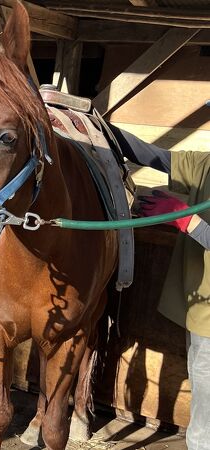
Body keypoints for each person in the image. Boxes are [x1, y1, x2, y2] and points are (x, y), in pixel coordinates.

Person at [109, 123, 210, 450]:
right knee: (202, 394)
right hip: (201, 313)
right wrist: (98, 126)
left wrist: (185, 219)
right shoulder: (205, 165)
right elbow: (154, 157)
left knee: (205, 420)